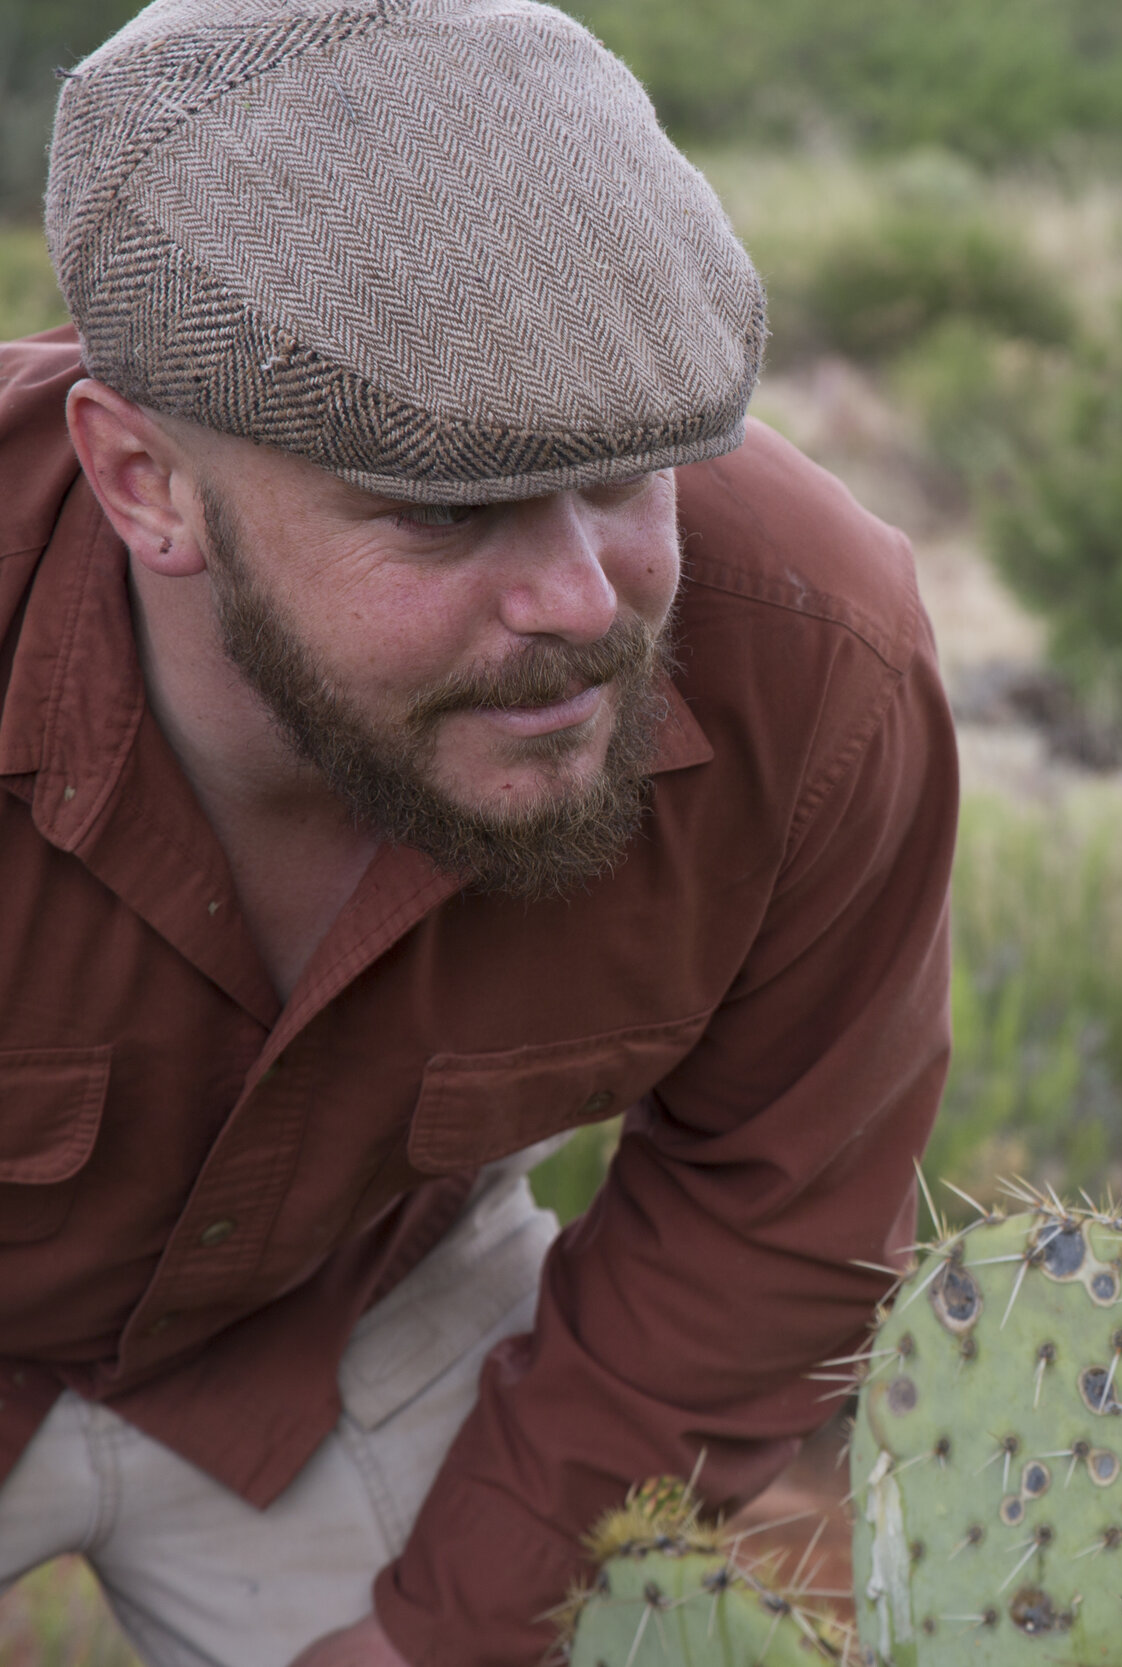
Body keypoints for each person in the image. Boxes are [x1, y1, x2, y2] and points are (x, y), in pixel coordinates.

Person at [0, 1, 955, 1662]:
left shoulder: (815, 659)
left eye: (633, 470)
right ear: (144, 482)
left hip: (349, 1313)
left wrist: (451, 1638)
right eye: (444, 506)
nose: (588, 604)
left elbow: (772, 1212)